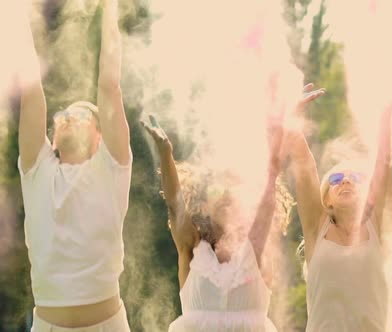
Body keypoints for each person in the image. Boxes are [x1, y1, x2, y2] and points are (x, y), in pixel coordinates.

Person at [17, 0, 132, 331]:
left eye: (81, 115)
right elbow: (30, 91)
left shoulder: (110, 168)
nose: (68, 117)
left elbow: (110, 85)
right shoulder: (37, 171)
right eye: (62, 115)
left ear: (99, 137)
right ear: (51, 139)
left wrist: (111, 9)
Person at [142, 111, 285, 332]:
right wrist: (165, 153)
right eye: (216, 191)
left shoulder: (254, 250)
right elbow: (174, 205)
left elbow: (268, 198)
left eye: (232, 189)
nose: (225, 195)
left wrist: (277, 134)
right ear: (203, 206)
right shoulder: (191, 247)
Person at [284, 84, 392, 331]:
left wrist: (383, 121)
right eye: (336, 180)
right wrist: (292, 119)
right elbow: (304, 164)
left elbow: (384, 163)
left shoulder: (378, 228)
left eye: (354, 179)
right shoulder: (318, 229)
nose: (345, 181)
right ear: (327, 201)